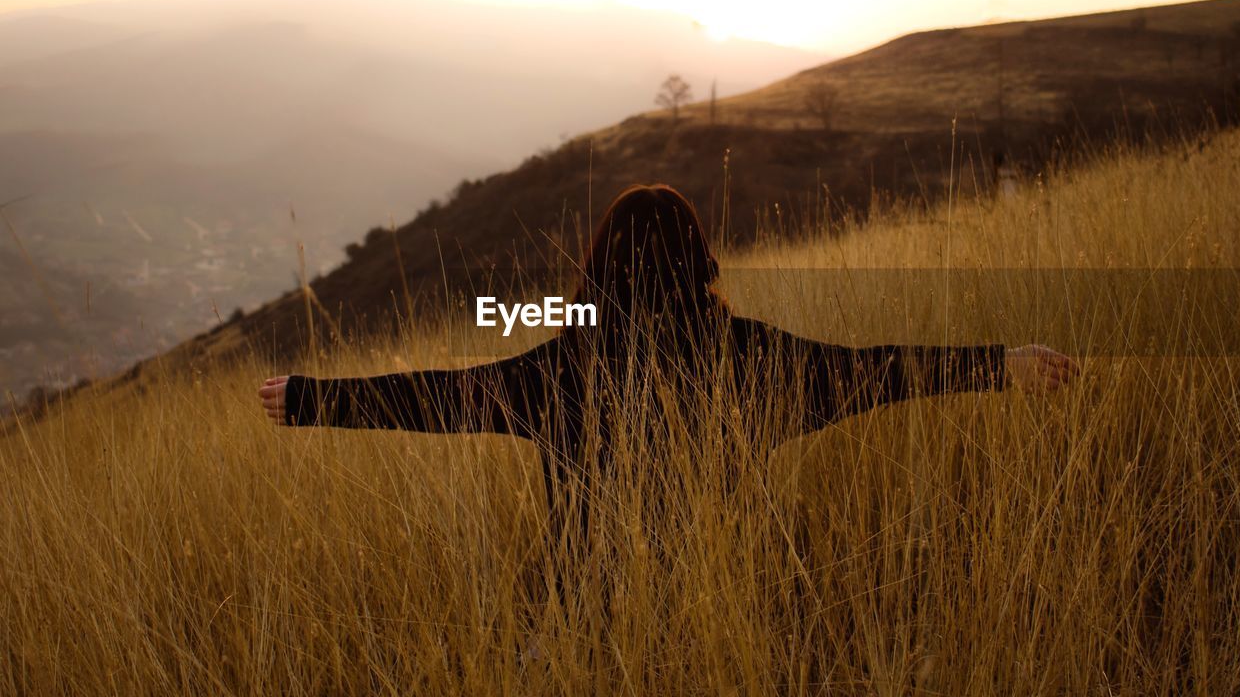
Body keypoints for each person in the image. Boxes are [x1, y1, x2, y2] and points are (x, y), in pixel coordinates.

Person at [258, 184, 1077, 560]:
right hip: (724, 610)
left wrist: (308, 398)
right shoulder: (752, 357)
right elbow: (875, 373)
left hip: (582, 626)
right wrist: (999, 365)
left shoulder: (566, 362)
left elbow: (439, 397)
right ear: (699, 261)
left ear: (599, 268)